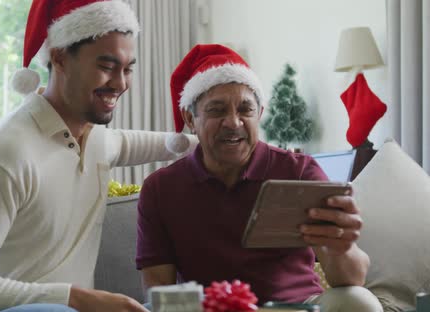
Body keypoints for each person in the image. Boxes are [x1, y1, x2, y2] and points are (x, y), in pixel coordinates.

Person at [0, 1, 195, 311]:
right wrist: (76, 297)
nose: (120, 84)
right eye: (107, 67)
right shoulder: (7, 152)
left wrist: (218, 142)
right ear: (59, 57)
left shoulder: (94, 139)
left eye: (128, 69)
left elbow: (141, 144)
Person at [136, 44, 382, 312]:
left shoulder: (299, 173)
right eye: (217, 110)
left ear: (260, 113)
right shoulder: (161, 189)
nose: (233, 122)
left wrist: (341, 247)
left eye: (245, 109)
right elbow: (159, 290)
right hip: (213, 309)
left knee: (359, 302)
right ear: (190, 118)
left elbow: (352, 279)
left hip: (298, 307)